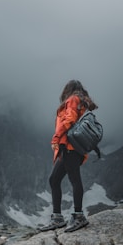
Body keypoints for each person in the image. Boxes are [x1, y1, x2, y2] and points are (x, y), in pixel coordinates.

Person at [40, 79, 98, 233]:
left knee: (73, 179)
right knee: (54, 179)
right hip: (73, 148)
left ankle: (78, 216)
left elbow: (69, 120)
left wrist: (56, 138)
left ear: (68, 90)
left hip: (69, 147)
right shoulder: (82, 102)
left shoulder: (73, 100)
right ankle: (58, 217)